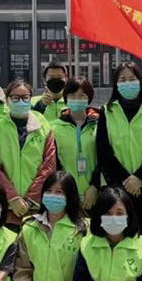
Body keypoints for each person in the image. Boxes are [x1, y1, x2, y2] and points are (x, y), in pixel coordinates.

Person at [96, 62, 142, 239]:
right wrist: (123, 181)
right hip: (115, 189)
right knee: (116, 238)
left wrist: (140, 178)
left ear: (140, 81)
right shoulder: (107, 111)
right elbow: (103, 150)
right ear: (116, 84)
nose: (127, 83)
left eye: (132, 79)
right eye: (122, 80)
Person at [0, 79, 58, 226]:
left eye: (25, 97)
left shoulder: (44, 128)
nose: (21, 101)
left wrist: (31, 198)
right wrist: (12, 197)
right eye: (15, 98)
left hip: (35, 206)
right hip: (4, 204)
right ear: (7, 100)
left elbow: (49, 166)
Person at [73, 187, 142, 281]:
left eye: (119, 213)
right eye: (108, 213)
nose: (113, 218)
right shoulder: (86, 246)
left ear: (128, 217)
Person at [14, 171, 89, 281]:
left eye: (59, 192)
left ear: (69, 196)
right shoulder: (29, 228)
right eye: (48, 191)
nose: (52, 195)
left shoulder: (83, 229)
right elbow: (22, 270)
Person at [51, 76, 101, 209]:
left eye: (82, 95)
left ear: (89, 97)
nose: (77, 99)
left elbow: (104, 158)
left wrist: (95, 186)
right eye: (72, 95)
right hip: (66, 194)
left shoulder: (100, 125)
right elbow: (54, 163)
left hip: (95, 194)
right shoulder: (54, 127)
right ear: (66, 98)